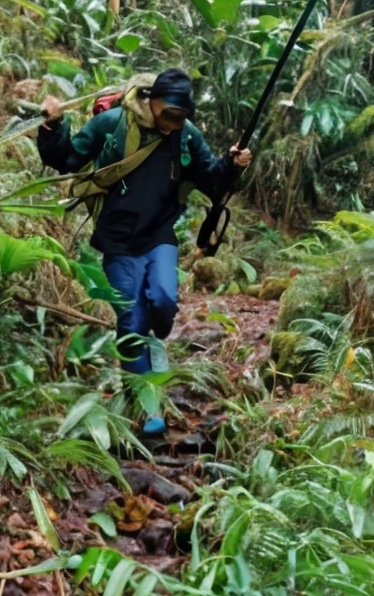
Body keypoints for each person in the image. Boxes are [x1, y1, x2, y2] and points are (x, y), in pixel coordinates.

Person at [38, 68, 252, 434]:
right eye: (168, 115)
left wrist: (232, 165)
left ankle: (153, 345)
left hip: (159, 235)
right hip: (117, 239)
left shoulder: (186, 135)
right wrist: (53, 127)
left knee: (165, 300)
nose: (173, 124)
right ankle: (147, 408)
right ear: (151, 100)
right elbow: (69, 159)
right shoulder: (112, 124)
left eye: (180, 118)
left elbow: (211, 179)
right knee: (131, 322)